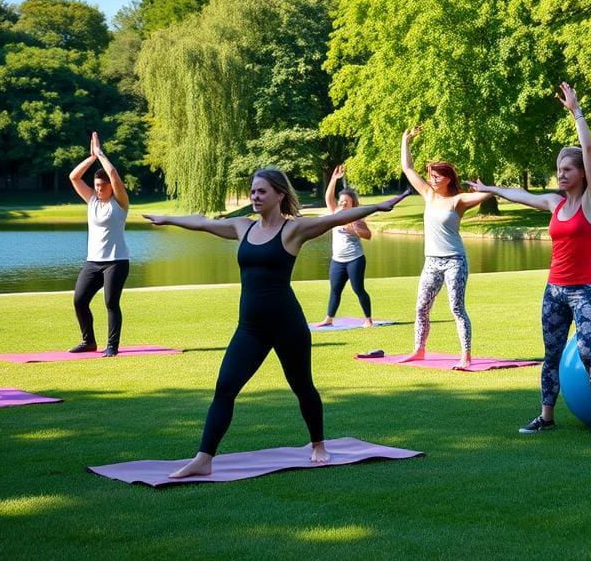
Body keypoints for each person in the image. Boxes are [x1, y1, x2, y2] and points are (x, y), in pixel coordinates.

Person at [144, 169, 407, 478]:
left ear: (279, 195)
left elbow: (333, 219)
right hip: (250, 328)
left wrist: (378, 206)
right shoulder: (242, 227)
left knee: (302, 386)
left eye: (261, 192)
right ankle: (204, 458)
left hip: (287, 325)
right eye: (253, 191)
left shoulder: (292, 231)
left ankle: (318, 444)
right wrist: (168, 219)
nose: (255, 197)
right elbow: (203, 223)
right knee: (225, 387)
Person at [468, 82, 591, 448]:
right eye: (558, 169)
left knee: (586, 352)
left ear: (583, 173)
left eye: (568, 169)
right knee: (550, 354)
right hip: (554, 290)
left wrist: (576, 113)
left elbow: (587, 147)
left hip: (585, 291)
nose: (561, 174)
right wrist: (492, 189)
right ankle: (547, 416)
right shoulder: (555, 203)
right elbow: (524, 196)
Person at [399, 127, 491, 369]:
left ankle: (466, 355)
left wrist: (484, 189)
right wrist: (405, 141)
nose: (432, 179)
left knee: (456, 307)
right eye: (430, 175)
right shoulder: (428, 195)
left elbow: (485, 196)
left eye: (437, 175)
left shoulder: (457, 201)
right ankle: (419, 350)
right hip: (431, 261)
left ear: (448, 177)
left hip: (454, 261)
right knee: (421, 307)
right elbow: (408, 169)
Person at [68, 132, 130, 357]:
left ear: (111, 187)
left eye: (103, 186)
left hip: (116, 261)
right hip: (93, 262)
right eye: (97, 185)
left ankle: (112, 346)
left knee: (111, 302)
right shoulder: (92, 199)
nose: (100, 189)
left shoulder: (120, 203)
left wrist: (102, 153)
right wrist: (91, 157)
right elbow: (74, 177)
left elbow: (113, 173)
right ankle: (89, 341)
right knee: (79, 299)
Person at [314, 165, 374, 327]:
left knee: (358, 289)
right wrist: (334, 179)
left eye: (346, 202)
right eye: (341, 202)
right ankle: (328, 319)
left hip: (355, 259)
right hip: (337, 260)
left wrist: (354, 229)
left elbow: (368, 236)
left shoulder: (358, 218)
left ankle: (368, 319)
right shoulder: (335, 214)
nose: (342, 204)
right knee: (335, 290)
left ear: (352, 204)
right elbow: (328, 198)